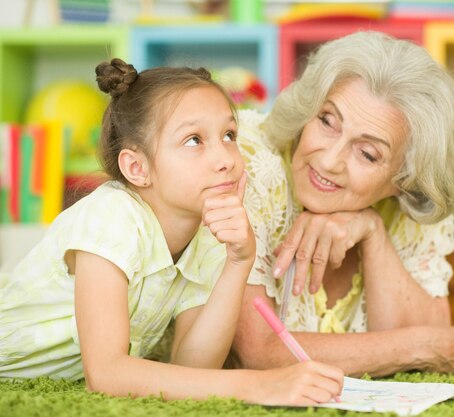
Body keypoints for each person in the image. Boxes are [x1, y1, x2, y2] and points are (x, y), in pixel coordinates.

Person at [0, 58, 343, 404]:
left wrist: (240, 263)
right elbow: (105, 374)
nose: (226, 158)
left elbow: (192, 367)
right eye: (194, 140)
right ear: (137, 167)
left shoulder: (208, 235)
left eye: (229, 135)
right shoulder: (112, 217)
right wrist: (258, 384)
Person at [228, 31, 454, 376]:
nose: (330, 160)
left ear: (404, 179)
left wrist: (372, 232)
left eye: (367, 153)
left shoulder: (411, 202)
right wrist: (418, 347)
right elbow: (256, 353)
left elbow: (435, 338)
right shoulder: (246, 161)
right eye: (327, 121)